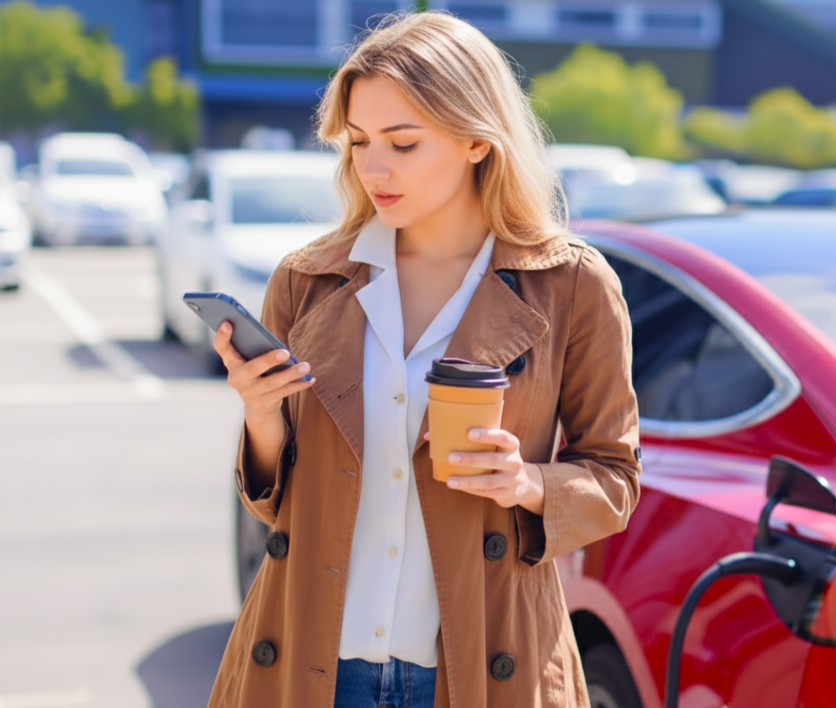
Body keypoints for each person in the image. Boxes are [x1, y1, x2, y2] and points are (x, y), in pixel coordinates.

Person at [205, 11, 641, 708]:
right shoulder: (307, 280)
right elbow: (274, 503)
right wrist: (261, 415)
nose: (374, 168)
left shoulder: (573, 287)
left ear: (477, 139)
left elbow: (614, 480)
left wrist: (525, 481)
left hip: (482, 668)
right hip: (313, 665)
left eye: (403, 144)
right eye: (358, 143)